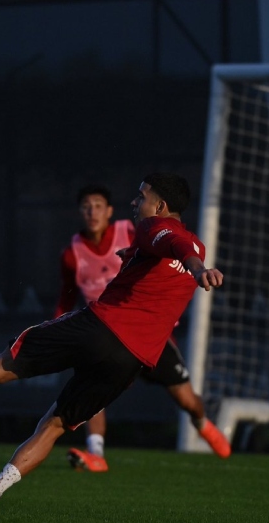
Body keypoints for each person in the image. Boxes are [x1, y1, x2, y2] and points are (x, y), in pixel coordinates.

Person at [0, 173, 224, 508]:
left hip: (98, 327)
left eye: (142, 196)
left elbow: (176, 243)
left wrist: (197, 269)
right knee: (54, 425)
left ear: (160, 207)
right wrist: (172, 264)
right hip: (131, 360)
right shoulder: (184, 245)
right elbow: (175, 256)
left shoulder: (156, 228)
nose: (135, 201)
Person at [54, 184, 230, 472]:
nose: (92, 212)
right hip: (106, 330)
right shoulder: (72, 254)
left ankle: (201, 423)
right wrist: (56, 326)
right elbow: (66, 297)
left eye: (98, 206)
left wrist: (196, 269)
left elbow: (170, 243)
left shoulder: (133, 229)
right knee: (91, 385)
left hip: (151, 334)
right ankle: (95, 452)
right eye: (86, 206)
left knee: (187, 400)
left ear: (109, 211)